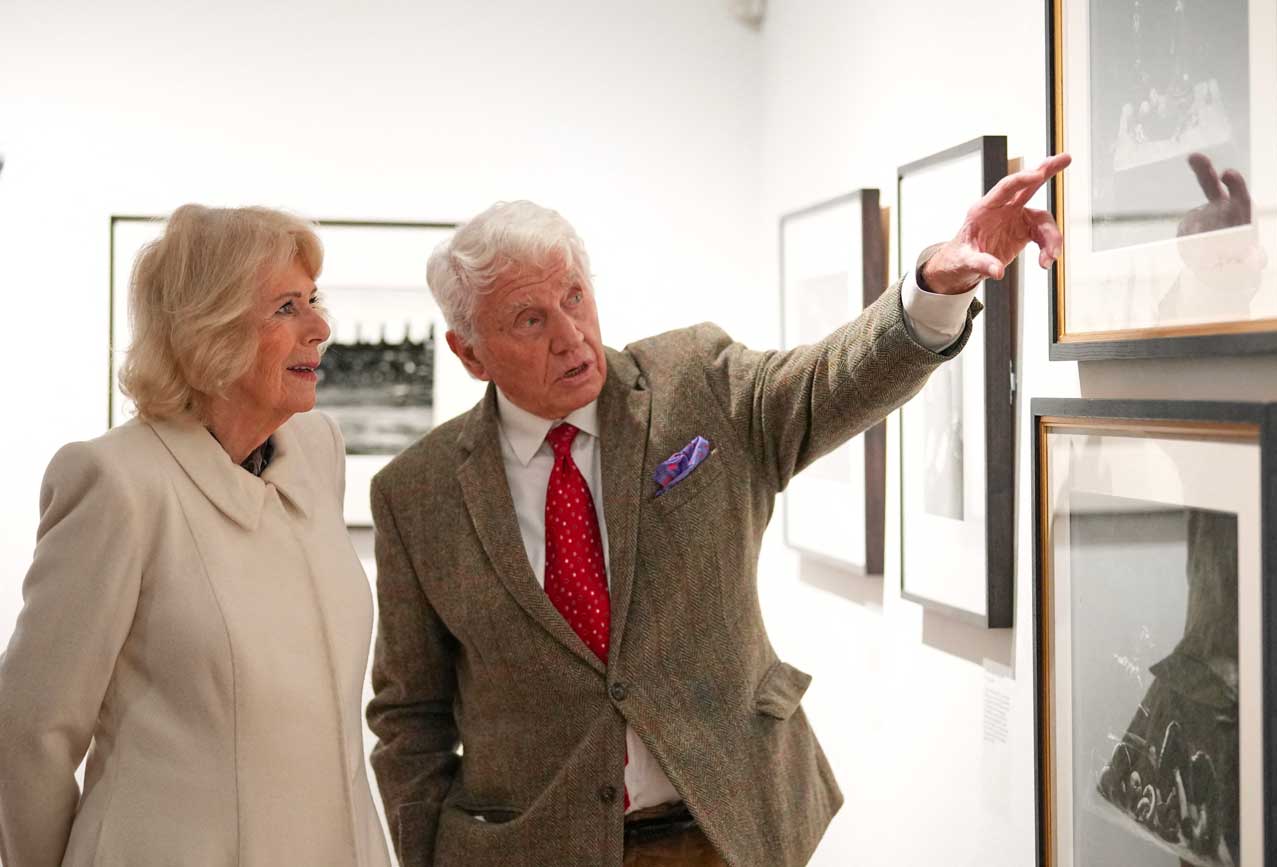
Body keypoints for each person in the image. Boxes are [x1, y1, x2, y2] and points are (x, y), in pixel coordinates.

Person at [366, 154, 1070, 867]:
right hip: (531, 850)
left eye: (574, 296)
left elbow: (827, 381)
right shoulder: (416, 494)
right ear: (470, 353)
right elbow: (409, 719)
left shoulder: (694, 380)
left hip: (721, 829)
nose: (570, 335)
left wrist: (933, 289)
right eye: (530, 319)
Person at [0, 205, 391, 867]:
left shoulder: (317, 450)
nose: (321, 328)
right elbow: (29, 732)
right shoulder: (117, 481)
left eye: (313, 300)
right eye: (287, 308)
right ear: (209, 331)